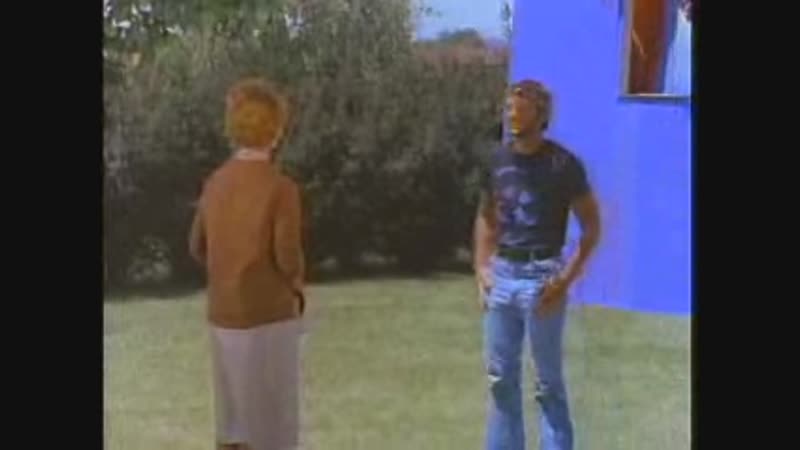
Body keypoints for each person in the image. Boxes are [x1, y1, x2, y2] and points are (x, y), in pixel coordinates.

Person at [473, 80, 601, 450]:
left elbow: (592, 227)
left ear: (539, 115)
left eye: (520, 108)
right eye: (509, 108)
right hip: (502, 276)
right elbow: (486, 217)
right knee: (500, 379)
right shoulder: (497, 161)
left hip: (542, 278)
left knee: (547, 383)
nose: (511, 114)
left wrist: (565, 280)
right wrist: (481, 268)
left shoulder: (563, 165)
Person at [189, 77, 306, 450]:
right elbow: (287, 255)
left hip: (223, 315)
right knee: (274, 424)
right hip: (269, 315)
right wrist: (296, 286)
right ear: (276, 129)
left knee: (232, 423)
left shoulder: (215, 183)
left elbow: (196, 245)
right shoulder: (281, 187)